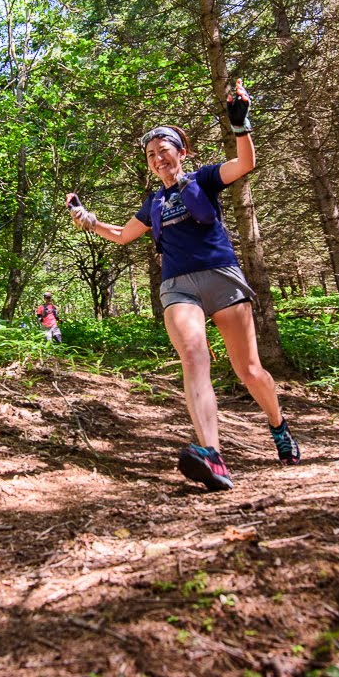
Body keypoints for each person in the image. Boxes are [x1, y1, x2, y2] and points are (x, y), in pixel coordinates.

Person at [67, 80, 300, 491]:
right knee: (193, 356)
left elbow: (244, 164)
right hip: (178, 285)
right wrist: (89, 220)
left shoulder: (206, 179)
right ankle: (212, 456)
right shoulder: (153, 203)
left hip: (221, 275)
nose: (158, 158)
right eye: (151, 155)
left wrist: (240, 123)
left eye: (164, 150)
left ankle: (278, 426)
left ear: (181, 152)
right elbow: (123, 235)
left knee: (248, 369)